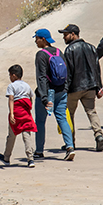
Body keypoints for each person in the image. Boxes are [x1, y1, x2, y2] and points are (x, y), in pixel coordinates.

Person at [60, 24, 103, 152]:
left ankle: (71, 142)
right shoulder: (91, 48)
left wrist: (65, 89)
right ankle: (99, 135)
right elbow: (97, 69)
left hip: (74, 88)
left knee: (69, 115)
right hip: (90, 86)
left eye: (66, 35)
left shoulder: (69, 50)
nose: (64, 37)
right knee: (91, 112)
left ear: (73, 34)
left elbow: (68, 72)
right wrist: (98, 87)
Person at [33, 28, 75, 161]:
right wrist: (65, 88)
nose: (35, 41)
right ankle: (70, 147)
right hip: (61, 91)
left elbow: (41, 77)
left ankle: (39, 151)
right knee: (62, 118)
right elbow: (67, 72)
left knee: (40, 121)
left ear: (43, 39)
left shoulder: (41, 55)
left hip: (47, 93)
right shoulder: (58, 52)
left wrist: (44, 97)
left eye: (37, 39)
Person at [0, 64, 37, 167]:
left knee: (12, 135)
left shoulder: (12, 86)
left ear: (14, 75)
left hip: (16, 112)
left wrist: (12, 114)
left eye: (10, 75)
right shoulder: (27, 86)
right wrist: (28, 109)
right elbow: (30, 99)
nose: (9, 77)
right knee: (26, 135)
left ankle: (6, 157)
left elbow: (11, 99)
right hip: (25, 113)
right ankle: (30, 159)